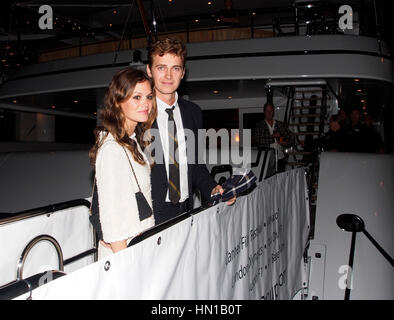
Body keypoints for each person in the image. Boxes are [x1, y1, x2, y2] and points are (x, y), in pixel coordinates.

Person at [146, 37, 235, 225]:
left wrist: (213, 188)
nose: (168, 75)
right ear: (149, 70)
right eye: (161, 67)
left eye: (175, 68)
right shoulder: (139, 114)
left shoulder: (193, 112)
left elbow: (195, 166)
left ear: (183, 73)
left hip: (186, 212)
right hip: (150, 218)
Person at [89, 67, 157, 259]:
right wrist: (127, 268)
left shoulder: (132, 141)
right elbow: (112, 223)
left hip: (139, 248)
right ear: (118, 102)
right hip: (125, 255)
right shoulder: (112, 149)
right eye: (137, 97)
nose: (146, 103)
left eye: (149, 97)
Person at [255, 102, 295, 172]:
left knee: (280, 180)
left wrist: (284, 142)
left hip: (281, 158)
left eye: (271, 111)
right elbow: (258, 140)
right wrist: (273, 137)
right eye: (267, 111)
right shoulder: (260, 125)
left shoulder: (280, 124)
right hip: (267, 159)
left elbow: (292, 137)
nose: (269, 113)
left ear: (273, 112)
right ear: (264, 112)